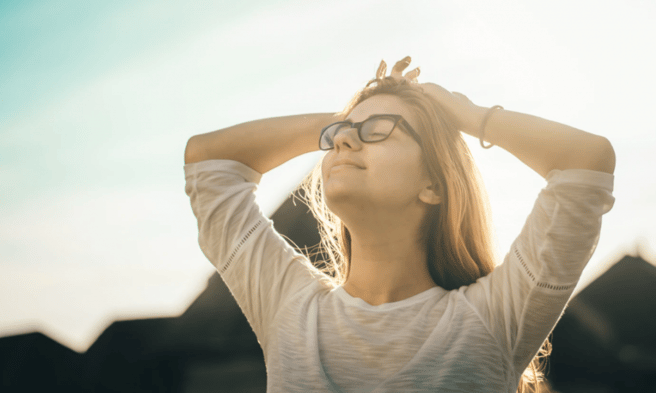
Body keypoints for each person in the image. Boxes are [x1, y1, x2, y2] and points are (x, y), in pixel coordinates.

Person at [184, 57, 615, 392]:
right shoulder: (289, 308)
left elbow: (585, 162)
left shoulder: (493, 317)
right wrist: (340, 120)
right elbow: (208, 160)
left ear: (433, 184)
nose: (345, 140)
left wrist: (465, 114)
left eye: (378, 130)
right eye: (339, 135)